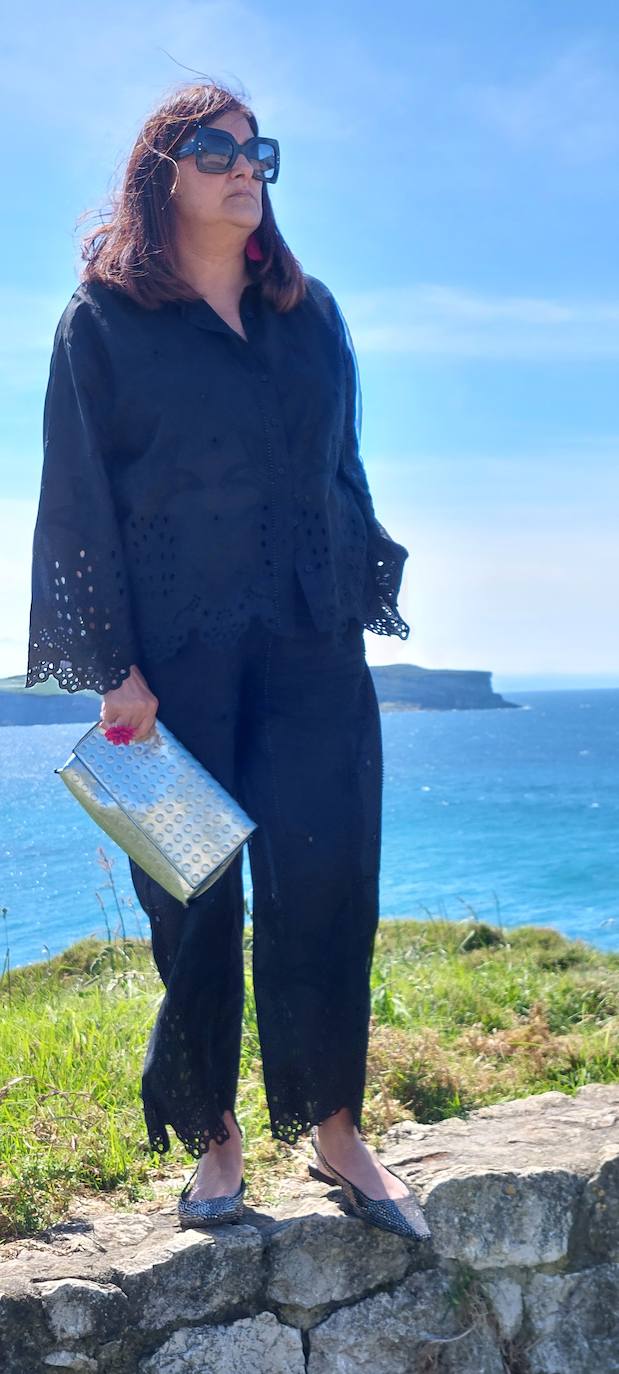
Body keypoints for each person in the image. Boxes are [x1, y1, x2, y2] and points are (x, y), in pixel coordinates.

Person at [25, 79, 430, 1241]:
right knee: (191, 901)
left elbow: (340, 472)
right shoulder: (102, 322)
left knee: (327, 883)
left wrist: (359, 593)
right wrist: (113, 670)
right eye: (215, 149)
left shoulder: (313, 316)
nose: (244, 165)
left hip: (311, 646)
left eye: (257, 150)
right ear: (163, 172)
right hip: (174, 666)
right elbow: (77, 501)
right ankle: (213, 1138)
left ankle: (336, 1131)